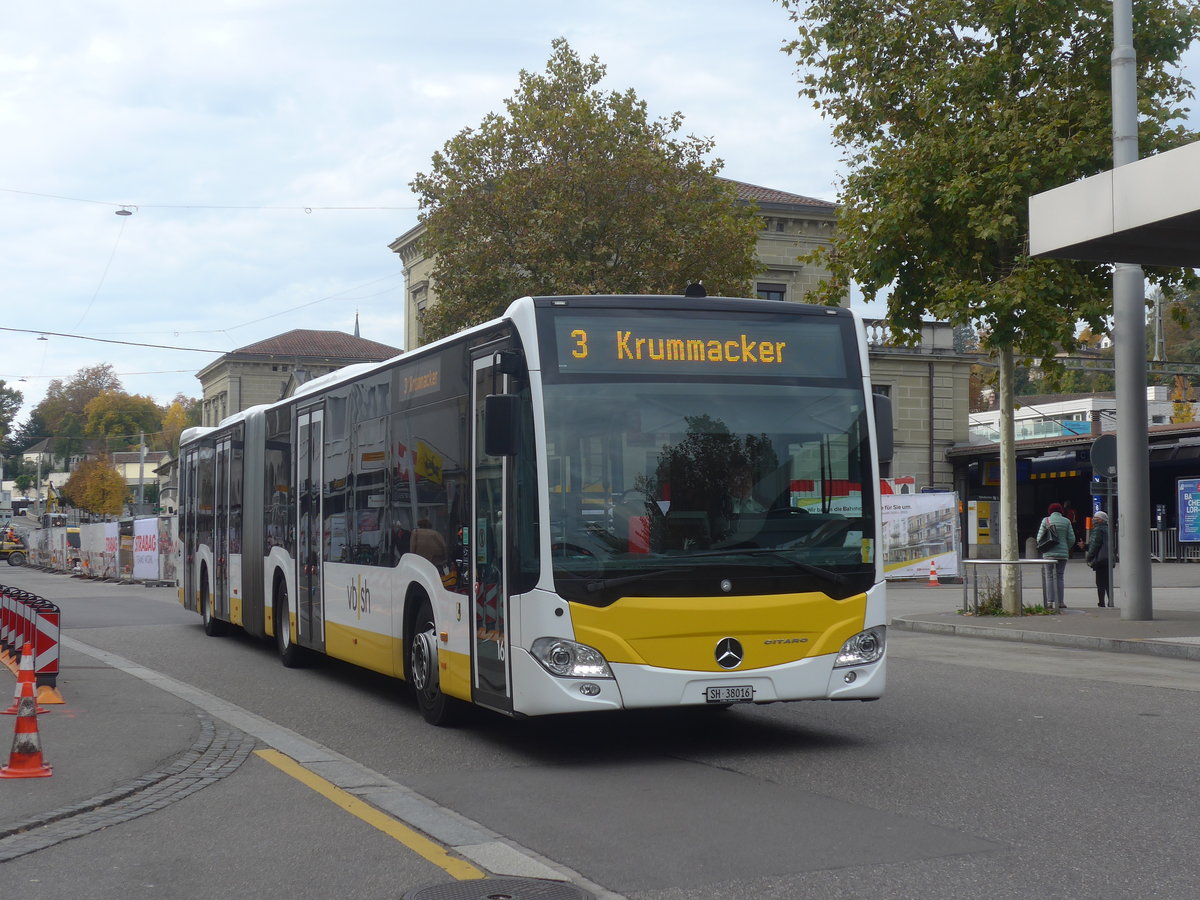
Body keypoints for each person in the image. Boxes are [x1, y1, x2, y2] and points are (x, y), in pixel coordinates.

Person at [1036, 502, 1075, 608]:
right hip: (1062, 554)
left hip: (1049, 553)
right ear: (1061, 511)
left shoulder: (1046, 520)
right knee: (1059, 576)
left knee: (1049, 577)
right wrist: (1065, 547)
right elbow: (1072, 539)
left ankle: (1050, 602)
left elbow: (1039, 538)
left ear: (1050, 511)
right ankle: (1061, 602)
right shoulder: (1066, 521)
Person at [1084, 510, 1113, 608]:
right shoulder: (1108, 529)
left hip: (1100, 560)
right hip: (1108, 558)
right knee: (1108, 582)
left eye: (1095, 518)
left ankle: (1101, 603)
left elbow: (1095, 544)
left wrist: (1089, 557)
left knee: (1100, 582)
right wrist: (1085, 546)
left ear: (1101, 520)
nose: (1093, 520)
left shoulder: (1097, 529)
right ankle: (1111, 601)